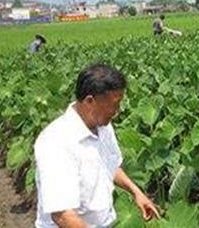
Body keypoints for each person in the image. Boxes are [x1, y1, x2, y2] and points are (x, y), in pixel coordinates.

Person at [34, 64, 160, 228]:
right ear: (90, 101)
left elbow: (111, 165)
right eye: (115, 104)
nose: (118, 111)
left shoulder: (103, 126)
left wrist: (137, 193)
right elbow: (63, 215)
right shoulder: (56, 142)